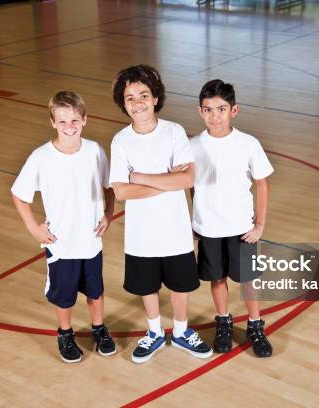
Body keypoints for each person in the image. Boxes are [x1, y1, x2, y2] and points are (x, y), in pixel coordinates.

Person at [109, 65, 212, 363]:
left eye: (143, 95)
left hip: (175, 229)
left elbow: (186, 180)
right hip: (141, 234)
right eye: (130, 98)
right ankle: (154, 331)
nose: (137, 102)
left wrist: (139, 176)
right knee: (147, 286)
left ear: (155, 98)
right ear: (123, 103)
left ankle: (181, 331)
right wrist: (165, 179)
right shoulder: (120, 141)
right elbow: (121, 192)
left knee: (181, 285)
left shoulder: (174, 132)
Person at [11, 90, 116, 363]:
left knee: (96, 290)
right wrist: (34, 228)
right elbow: (19, 195)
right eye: (62, 121)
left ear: (84, 120)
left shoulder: (94, 151)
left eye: (74, 120)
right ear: (52, 122)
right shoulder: (41, 157)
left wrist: (108, 213)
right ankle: (65, 334)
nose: (69, 127)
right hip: (61, 244)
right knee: (64, 295)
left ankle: (99, 329)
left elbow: (109, 186)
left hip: (91, 239)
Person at [190, 79, 274, 357]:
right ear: (200, 111)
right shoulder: (192, 146)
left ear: (234, 110)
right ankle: (224, 321)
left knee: (248, 279)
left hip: (242, 228)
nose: (215, 116)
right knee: (217, 278)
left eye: (221, 109)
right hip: (208, 227)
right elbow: (189, 185)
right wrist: (194, 223)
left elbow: (262, 183)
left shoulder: (248, 144)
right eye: (209, 109)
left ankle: (254, 324)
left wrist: (259, 224)